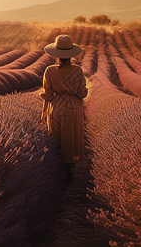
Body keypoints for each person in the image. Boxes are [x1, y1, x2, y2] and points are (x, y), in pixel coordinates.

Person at [39, 34, 88, 182]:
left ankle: (57, 170)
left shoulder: (49, 70)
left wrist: (45, 111)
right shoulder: (77, 71)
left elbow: (47, 93)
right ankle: (70, 172)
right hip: (73, 107)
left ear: (56, 54)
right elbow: (82, 93)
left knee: (57, 138)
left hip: (57, 106)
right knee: (72, 138)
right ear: (71, 54)